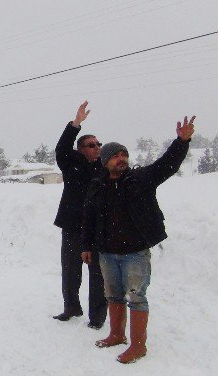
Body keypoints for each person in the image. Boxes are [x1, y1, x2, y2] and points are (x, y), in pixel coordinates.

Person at [81, 115, 195, 364]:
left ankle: (138, 346)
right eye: (115, 155)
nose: (121, 158)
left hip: (135, 252)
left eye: (124, 154)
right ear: (105, 162)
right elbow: (89, 218)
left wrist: (182, 141)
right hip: (107, 252)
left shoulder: (140, 179)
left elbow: (167, 164)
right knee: (113, 295)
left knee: (137, 297)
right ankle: (116, 334)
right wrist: (86, 246)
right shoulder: (97, 185)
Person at [52, 101, 107, 329]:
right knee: (71, 269)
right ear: (81, 149)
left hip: (97, 228)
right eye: (91, 145)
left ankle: (97, 317)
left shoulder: (105, 168)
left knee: (98, 275)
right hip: (73, 226)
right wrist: (76, 124)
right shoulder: (71, 163)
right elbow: (61, 148)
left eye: (98, 144)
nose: (96, 148)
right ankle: (71, 307)